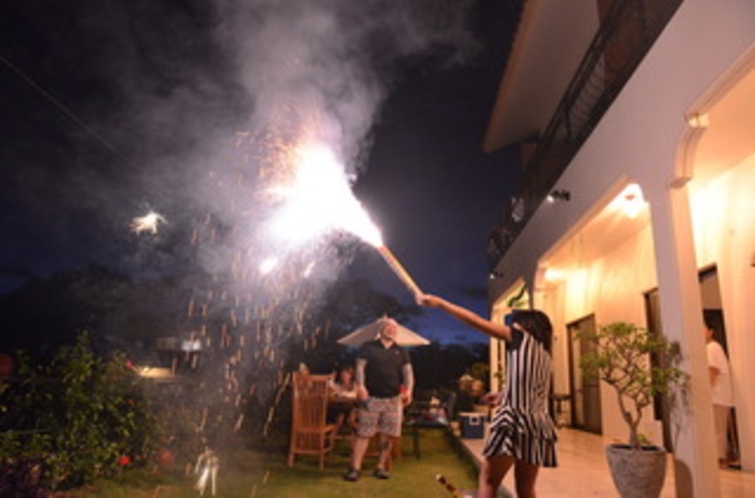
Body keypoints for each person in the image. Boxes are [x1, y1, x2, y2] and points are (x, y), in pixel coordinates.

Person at [417, 294, 557, 498]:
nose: (512, 327)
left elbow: (475, 321)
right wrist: (503, 395)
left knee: (489, 481)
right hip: (537, 425)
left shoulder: (520, 337)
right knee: (526, 489)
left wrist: (441, 304)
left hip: (514, 421)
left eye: (515, 324)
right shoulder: (546, 356)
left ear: (526, 326)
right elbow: (535, 392)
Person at [343, 317, 414, 482]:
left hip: (394, 400)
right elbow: (360, 367)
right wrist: (360, 385)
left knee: (387, 435)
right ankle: (354, 469)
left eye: (395, 327)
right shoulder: (368, 347)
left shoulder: (401, 351)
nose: (392, 329)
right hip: (371, 399)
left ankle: (380, 467)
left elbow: (408, 374)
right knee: (364, 434)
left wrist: (409, 390)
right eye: (388, 326)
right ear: (381, 329)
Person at [704, 319, 734, 468]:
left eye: (703, 328)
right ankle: (721, 459)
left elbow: (713, 371)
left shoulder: (711, 348)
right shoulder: (715, 347)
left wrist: (705, 394)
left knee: (717, 429)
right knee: (719, 429)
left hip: (717, 396)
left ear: (711, 332)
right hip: (722, 396)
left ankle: (720, 460)